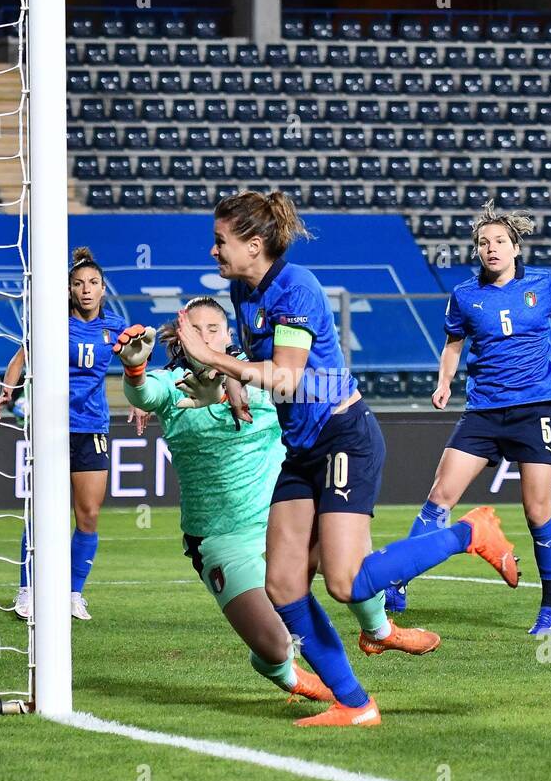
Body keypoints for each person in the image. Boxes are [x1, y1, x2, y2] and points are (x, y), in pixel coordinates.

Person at [172, 191, 522, 727]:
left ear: (255, 244)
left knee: (345, 582)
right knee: (283, 587)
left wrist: (214, 358)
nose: (213, 251)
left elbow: (287, 376)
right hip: (303, 447)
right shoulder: (244, 292)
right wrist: (231, 384)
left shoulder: (294, 288)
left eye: (221, 241)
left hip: (343, 438)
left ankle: (470, 533)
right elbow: (274, 374)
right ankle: (356, 704)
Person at [382, 203, 551, 636]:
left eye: (499, 241)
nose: (491, 248)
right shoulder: (464, 295)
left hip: (535, 408)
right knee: (439, 496)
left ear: (516, 247)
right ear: (477, 251)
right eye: (484, 243)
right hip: (482, 410)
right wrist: (444, 383)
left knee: (537, 511)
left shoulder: (545, 285)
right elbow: (453, 345)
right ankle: (396, 581)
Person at [110, 297, 333, 703]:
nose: (206, 336)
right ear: (181, 338)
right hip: (223, 538)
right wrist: (135, 369)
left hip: (282, 522)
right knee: (278, 646)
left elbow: (311, 384)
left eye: (214, 328)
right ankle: (277, 666)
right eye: (196, 329)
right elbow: (144, 393)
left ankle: (379, 623)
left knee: (345, 554)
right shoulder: (171, 383)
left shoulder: (257, 373)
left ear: (229, 334)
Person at [0, 247, 127, 621]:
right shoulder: (52, 322)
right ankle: (27, 591)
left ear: (103, 289)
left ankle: (73, 593)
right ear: (69, 289)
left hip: (92, 427)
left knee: (87, 514)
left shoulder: (115, 327)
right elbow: (22, 356)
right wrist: (8, 390)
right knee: (41, 510)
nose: (86, 290)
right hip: (52, 426)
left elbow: (136, 362)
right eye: (79, 283)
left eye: (93, 283)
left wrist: (138, 398)